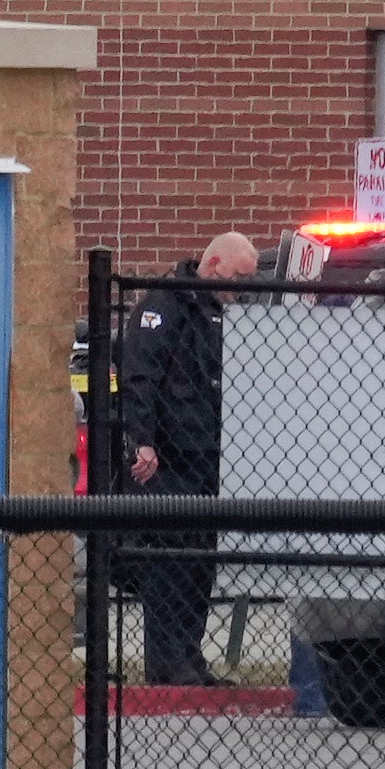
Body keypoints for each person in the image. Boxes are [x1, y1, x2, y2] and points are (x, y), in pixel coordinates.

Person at [111, 231, 258, 689]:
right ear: (213, 263)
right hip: (169, 457)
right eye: (235, 278)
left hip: (209, 456)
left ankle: (190, 657)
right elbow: (140, 375)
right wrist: (143, 441)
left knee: (200, 560)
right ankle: (166, 661)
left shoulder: (219, 313)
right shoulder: (166, 306)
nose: (238, 291)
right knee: (168, 558)